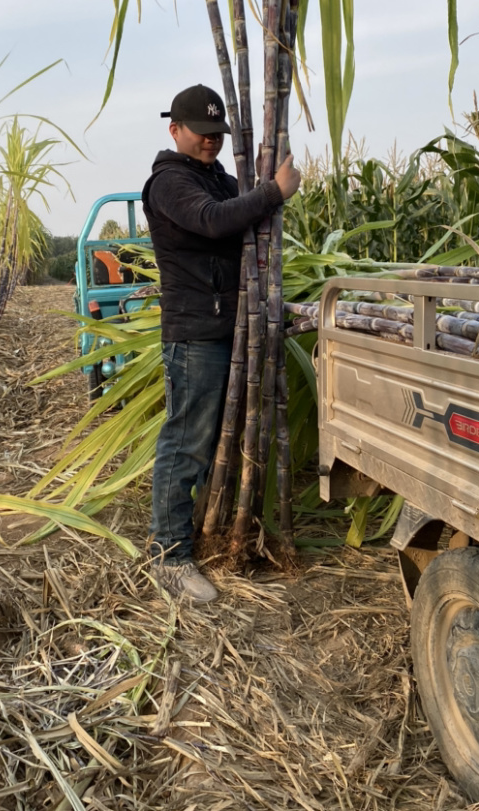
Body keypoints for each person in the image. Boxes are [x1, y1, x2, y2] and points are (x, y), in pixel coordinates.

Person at [141, 83, 301, 603]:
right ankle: (168, 554)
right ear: (176, 130)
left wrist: (258, 187)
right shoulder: (168, 182)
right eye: (202, 133)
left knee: (214, 445)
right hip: (195, 334)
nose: (211, 141)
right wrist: (271, 191)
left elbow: (244, 215)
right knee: (186, 441)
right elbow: (213, 221)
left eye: (217, 134)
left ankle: (203, 534)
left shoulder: (218, 178)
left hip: (231, 329)